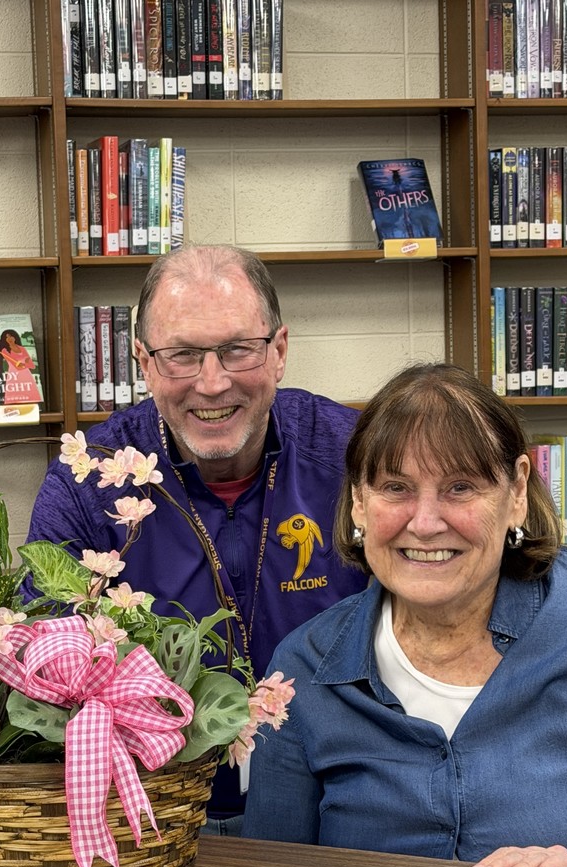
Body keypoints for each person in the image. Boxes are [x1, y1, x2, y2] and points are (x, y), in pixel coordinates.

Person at [242, 362, 567, 867]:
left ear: (517, 491)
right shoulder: (303, 667)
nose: (425, 524)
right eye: (396, 488)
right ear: (359, 501)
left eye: (460, 487)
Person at [23, 244, 367, 829]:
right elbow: (47, 672)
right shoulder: (85, 484)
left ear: (279, 351)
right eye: (182, 354)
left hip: (340, 806)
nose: (212, 383)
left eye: (238, 349)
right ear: (144, 362)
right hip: (157, 812)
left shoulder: (354, 455)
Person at [0, 328, 42, 404]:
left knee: (31, 398)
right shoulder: (4, 351)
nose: (9, 339)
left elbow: (32, 366)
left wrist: (23, 364)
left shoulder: (22, 348)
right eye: (7, 337)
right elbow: (17, 366)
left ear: (15, 337)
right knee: (14, 399)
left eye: (11, 336)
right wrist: (25, 362)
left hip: (26, 375)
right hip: (14, 376)